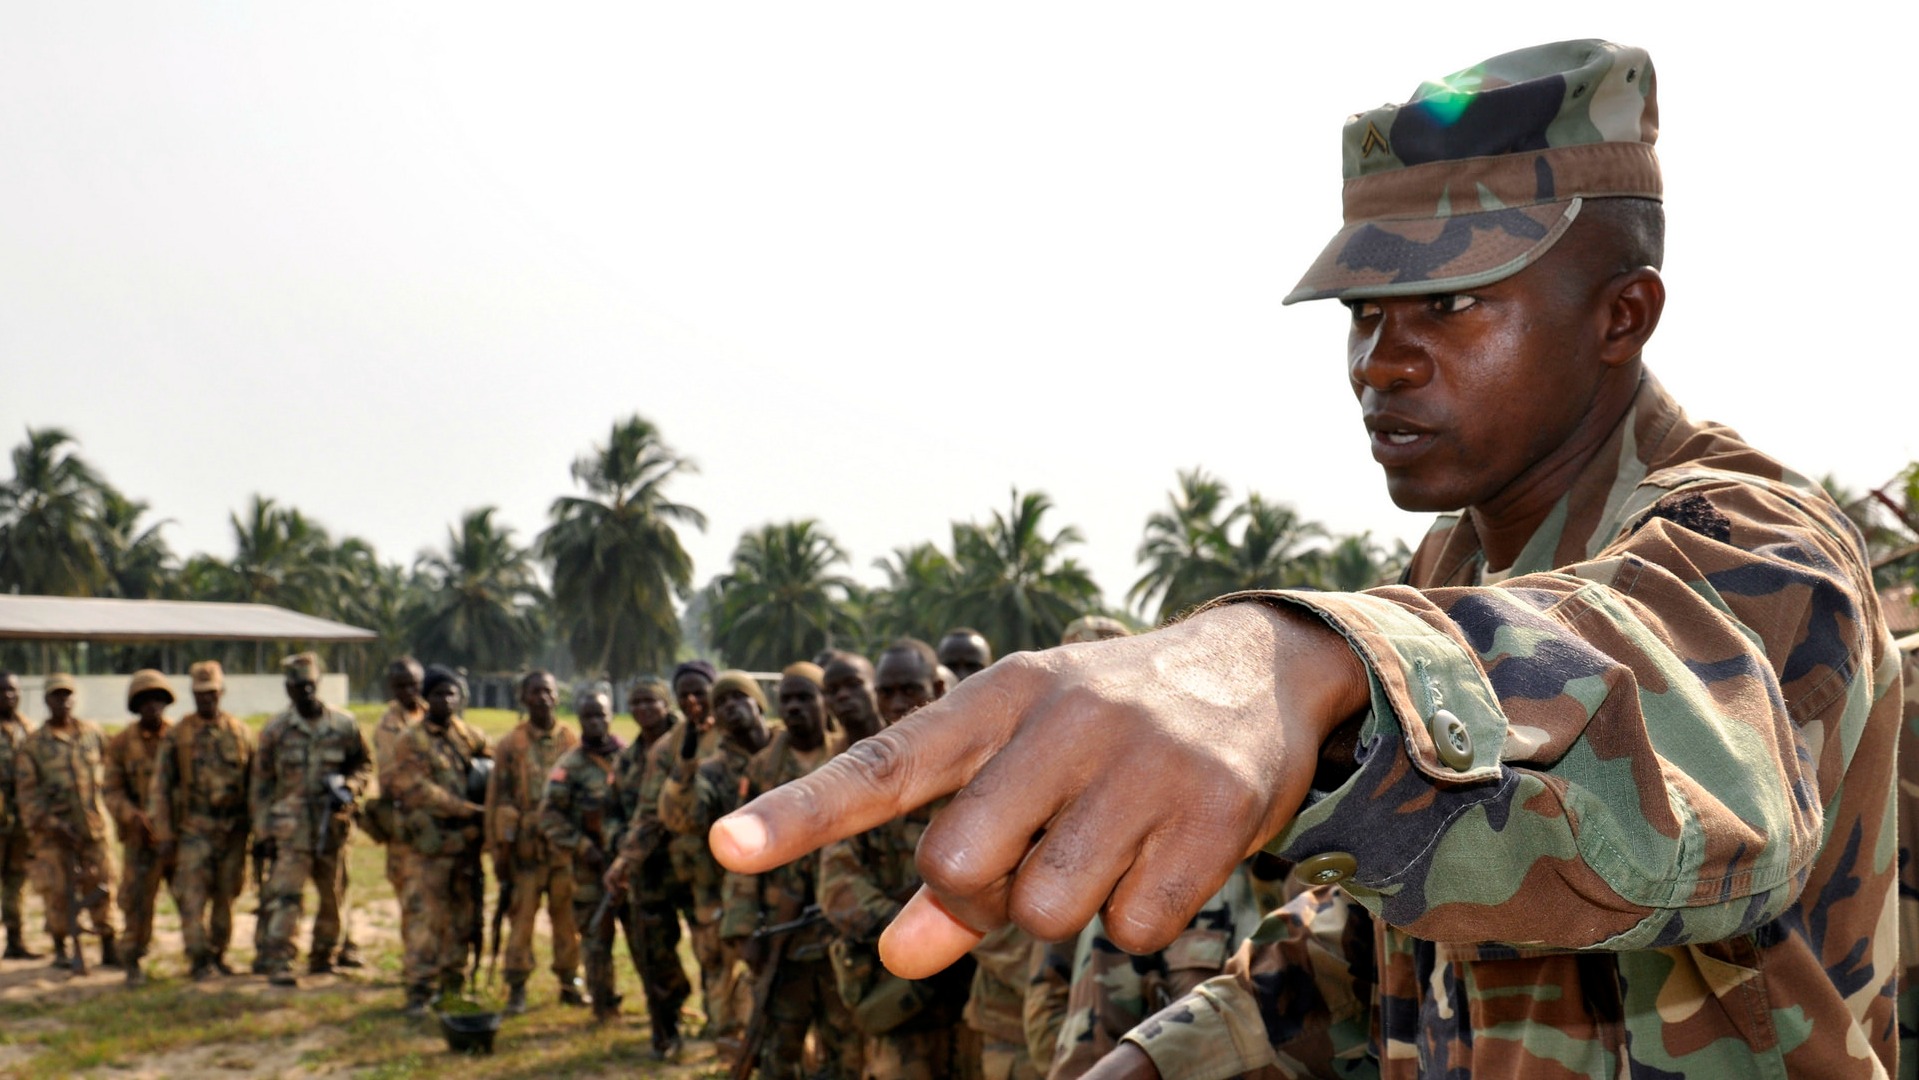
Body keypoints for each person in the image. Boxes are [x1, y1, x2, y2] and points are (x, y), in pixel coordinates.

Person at [711, 40, 1904, 1077]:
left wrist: (1303, 654)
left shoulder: (1757, 546)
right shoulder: (1451, 569)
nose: (1380, 361)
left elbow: (1689, 744)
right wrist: (1147, 1059)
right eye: (1363, 313)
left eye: (1449, 303)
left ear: (1620, 316)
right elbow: (1364, 948)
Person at [817, 640, 975, 1080]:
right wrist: (922, 935)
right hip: (901, 996)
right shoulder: (864, 779)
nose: (898, 703)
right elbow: (838, 888)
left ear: (939, 686)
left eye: (910, 688)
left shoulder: (983, 767)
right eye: (886, 692)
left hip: (981, 995)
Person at [720, 662, 861, 1078]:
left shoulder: (851, 757)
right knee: (780, 1048)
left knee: (846, 1047)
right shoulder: (764, 768)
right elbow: (744, 849)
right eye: (788, 699)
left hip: (841, 930)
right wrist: (745, 928)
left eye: (805, 697)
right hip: (785, 932)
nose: (796, 707)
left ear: (826, 702)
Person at [659, 669, 774, 1060]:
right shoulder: (711, 768)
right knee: (721, 981)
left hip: (787, 887)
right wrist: (688, 757)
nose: (729, 706)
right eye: (721, 702)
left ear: (757, 702)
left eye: (737, 697)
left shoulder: (786, 748)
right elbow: (679, 817)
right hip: (727, 891)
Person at [250, 652, 374, 987]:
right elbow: (261, 784)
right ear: (287, 689)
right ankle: (278, 959)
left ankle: (324, 955)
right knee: (285, 895)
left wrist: (351, 786)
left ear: (317, 684)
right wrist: (263, 831)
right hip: (289, 830)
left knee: (333, 895)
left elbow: (363, 764)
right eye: (296, 686)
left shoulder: (343, 725)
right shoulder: (275, 731)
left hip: (332, 825)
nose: (304, 692)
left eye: (309, 685)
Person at [389, 665, 492, 1015]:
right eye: (437, 694)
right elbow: (417, 789)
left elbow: (492, 767)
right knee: (424, 918)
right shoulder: (411, 740)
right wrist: (465, 808)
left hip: (465, 846)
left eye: (451, 693)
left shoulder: (470, 736)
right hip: (428, 846)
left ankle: (453, 984)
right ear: (425, 698)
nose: (445, 700)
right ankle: (419, 989)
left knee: (463, 917)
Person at [147, 660, 255, 981]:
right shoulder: (179, 734)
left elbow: (256, 782)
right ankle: (197, 958)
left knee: (227, 894)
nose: (206, 699)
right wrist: (163, 832)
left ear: (222, 692)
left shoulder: (240, 733)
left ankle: (219, 954)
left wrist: (256, 826)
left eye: (212, 693)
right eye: (200, 694)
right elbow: (160, 787)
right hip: (195, 828)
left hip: (233, 829)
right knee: (191, 896)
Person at [605, 675, 694, 1059]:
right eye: (636, 703)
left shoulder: (687, 742)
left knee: (711, 946)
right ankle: (669, 1020)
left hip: (691, 865)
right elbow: (613, 810)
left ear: (666, 704)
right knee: (655, 951)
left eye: (650, 702)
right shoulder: (626, 760)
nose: (643, 710)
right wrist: (620, 844)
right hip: (648, 869)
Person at [487, 669, 584, 1012]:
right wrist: (499, 849)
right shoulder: (510, 744)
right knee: (521, 921)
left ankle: (570, 979)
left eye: (548, 691)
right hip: (525, 852)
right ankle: (516, 985)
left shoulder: (572, 742)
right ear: (524, 698)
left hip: (562, 849)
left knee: (567, 919)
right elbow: (496, 798)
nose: (542, 698)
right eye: (535, 692)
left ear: (557, 696)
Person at [14, 673, 115, 971]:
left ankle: (109, 946)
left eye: (68, 695)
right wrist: (54, 825)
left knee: (102, 885)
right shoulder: (33, 746)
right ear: (47, 701)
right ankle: (61, 948)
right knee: (56, 892)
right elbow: (27, 797)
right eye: (57, 696)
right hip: (53, 834)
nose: (64, 701)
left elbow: (112, 776)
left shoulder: (92, 734)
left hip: (92, 830)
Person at [539, 687, 628, 1024]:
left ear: (611, 716)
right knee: (595, 937)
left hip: (629, 866)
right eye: (587, 716)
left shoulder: (629, 757)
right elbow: (549, 816)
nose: (594, 721)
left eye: (600, 714)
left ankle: (661, 1006)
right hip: (590, 868)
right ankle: (604, 1005)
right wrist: (581, 847)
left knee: (644, 936)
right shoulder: (570, 765)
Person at [103, 669, 178, 985]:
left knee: (190, 898)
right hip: (139, 839)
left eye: (158, 699)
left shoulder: (179, 737)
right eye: (145, 701)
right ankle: (132, 961)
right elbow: (111, 789)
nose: (153, 706)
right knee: (136, 903)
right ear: (136, 705)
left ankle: (204, 958)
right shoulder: (121, 743)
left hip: (175, 837)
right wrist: (132, 816)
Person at [362, 657, 424, 966]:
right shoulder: (388, 726)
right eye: (401, 686)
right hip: (403, 826)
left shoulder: (431, 712)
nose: (408, 691)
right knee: (411, 901)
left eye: (413, 684)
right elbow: (393, 779)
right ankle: (414, 965)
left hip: (434, 826)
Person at [0, 671, 38, 959]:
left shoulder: (29, 730)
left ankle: (15, 941)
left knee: (17, 880)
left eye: (14, 690)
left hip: (20, 821)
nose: (9, 696)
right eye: (3, 691)